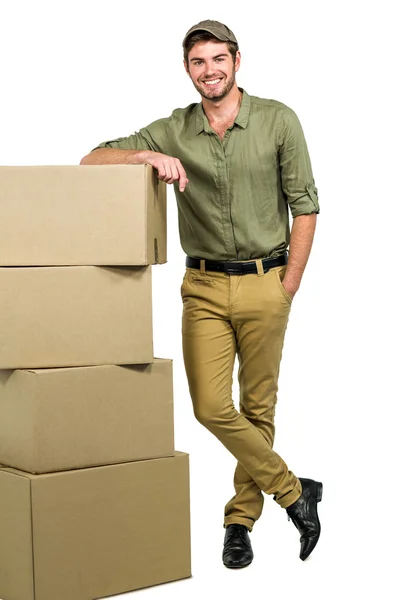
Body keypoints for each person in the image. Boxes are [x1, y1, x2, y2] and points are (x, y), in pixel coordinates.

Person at [80, 19, 323, 567]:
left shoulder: (278, 120)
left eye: (218, 59)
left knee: (258, 407)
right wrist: (146, 157)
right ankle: (294, 492)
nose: (208, 71)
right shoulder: (174, 129)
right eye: (197, 62)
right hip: (205, 286)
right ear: (186, 69)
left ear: (238, 61)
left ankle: (239, 522)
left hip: (268, 280)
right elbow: (91, 158)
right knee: (212, 407)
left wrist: (288, 287)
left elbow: (305, 206)